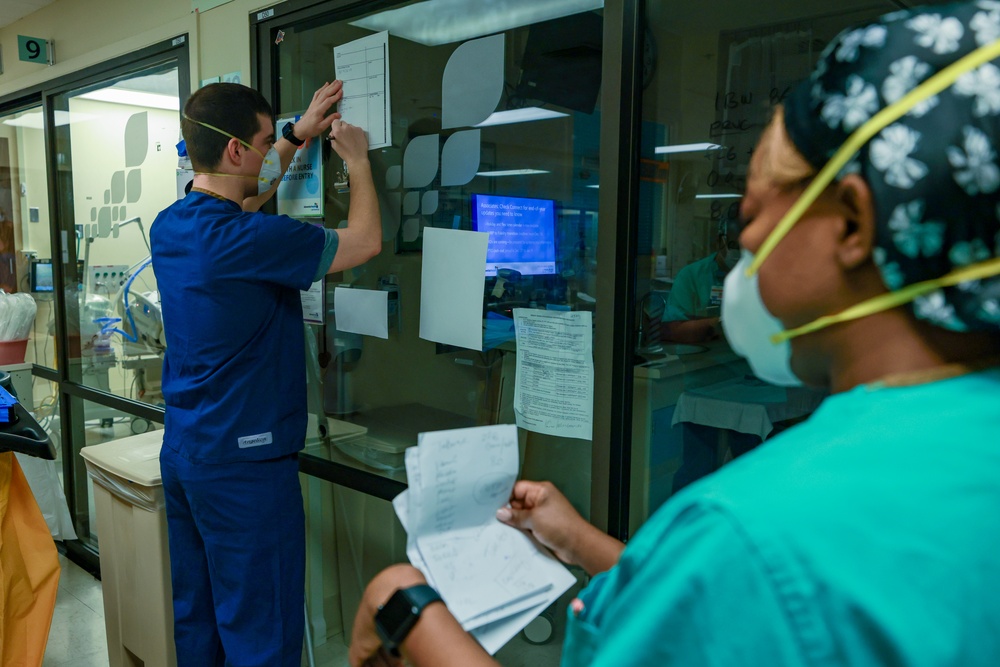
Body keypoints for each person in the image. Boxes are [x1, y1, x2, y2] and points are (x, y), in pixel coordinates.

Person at [349, 3, 1000, 665]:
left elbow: (747, 579)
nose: (742, 240)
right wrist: (579, 541)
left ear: (852, 225)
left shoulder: (747, 530)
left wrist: (407, 609)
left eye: (754, 209)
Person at [150, 81, 380, 666]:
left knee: (200, 620)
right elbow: (366, 242)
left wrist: (294, 136)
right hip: (244, 471)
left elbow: (244, 197)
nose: (264, 152)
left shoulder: (173, 225)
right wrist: (356, 161)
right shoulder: (250, 240)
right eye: (258, 142)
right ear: (233, 152)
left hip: (187, 454)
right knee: (262, 635)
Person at [661, 218, 741, 344]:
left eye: (745, 247)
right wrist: (719, 323)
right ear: (719, 242)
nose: (741, 251)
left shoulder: (758, 276)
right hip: (702, 359)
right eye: (734, 245)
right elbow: (673, 331)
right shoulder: (691, 276)